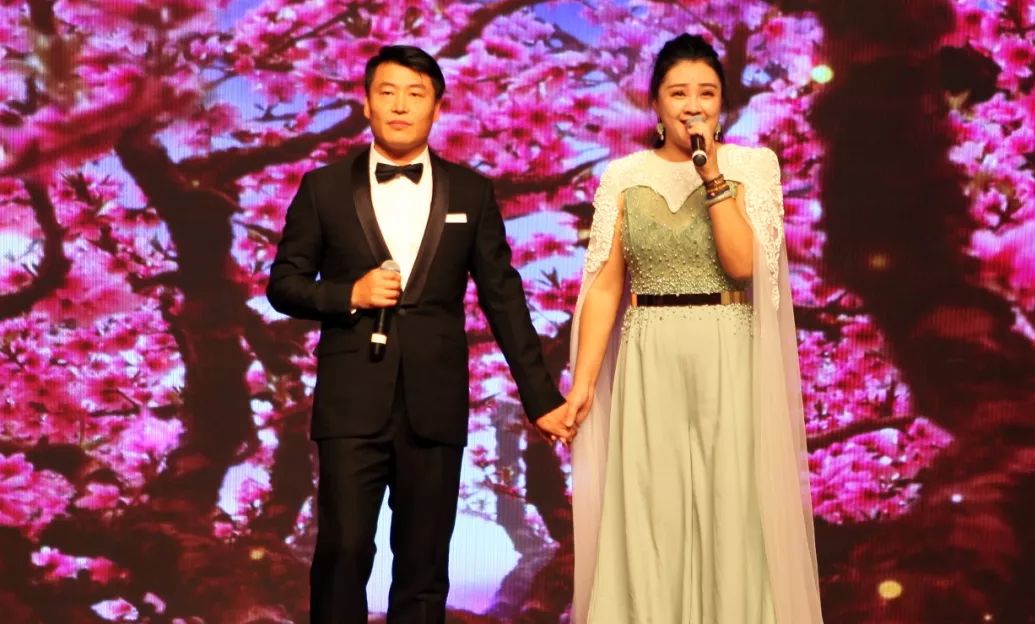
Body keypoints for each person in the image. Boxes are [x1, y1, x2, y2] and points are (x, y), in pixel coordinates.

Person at [266, 44, 574, 623]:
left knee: (424, 566)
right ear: (366, 104)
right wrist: (349, 294)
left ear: (438, 107)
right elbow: (283, 284)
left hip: (435, 404)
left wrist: (540, 398)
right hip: (351, 401)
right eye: (387, 93)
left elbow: (504, 298)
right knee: (342, 553)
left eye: (416, 94)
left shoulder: (470, 192)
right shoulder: (323, 188)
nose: (401, 106)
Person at [563, 33, 824, 623]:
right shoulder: (622, 176)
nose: (692, 105)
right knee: (651, 504)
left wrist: (712, 177)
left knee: (731, 502)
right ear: (655, 102)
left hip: (727, 344)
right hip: (650, 350)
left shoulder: (753, 165)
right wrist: (583, 384)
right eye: (678, 92)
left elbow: (743, 264)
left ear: (722, 102)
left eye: (706, 92)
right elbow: (604, 285)